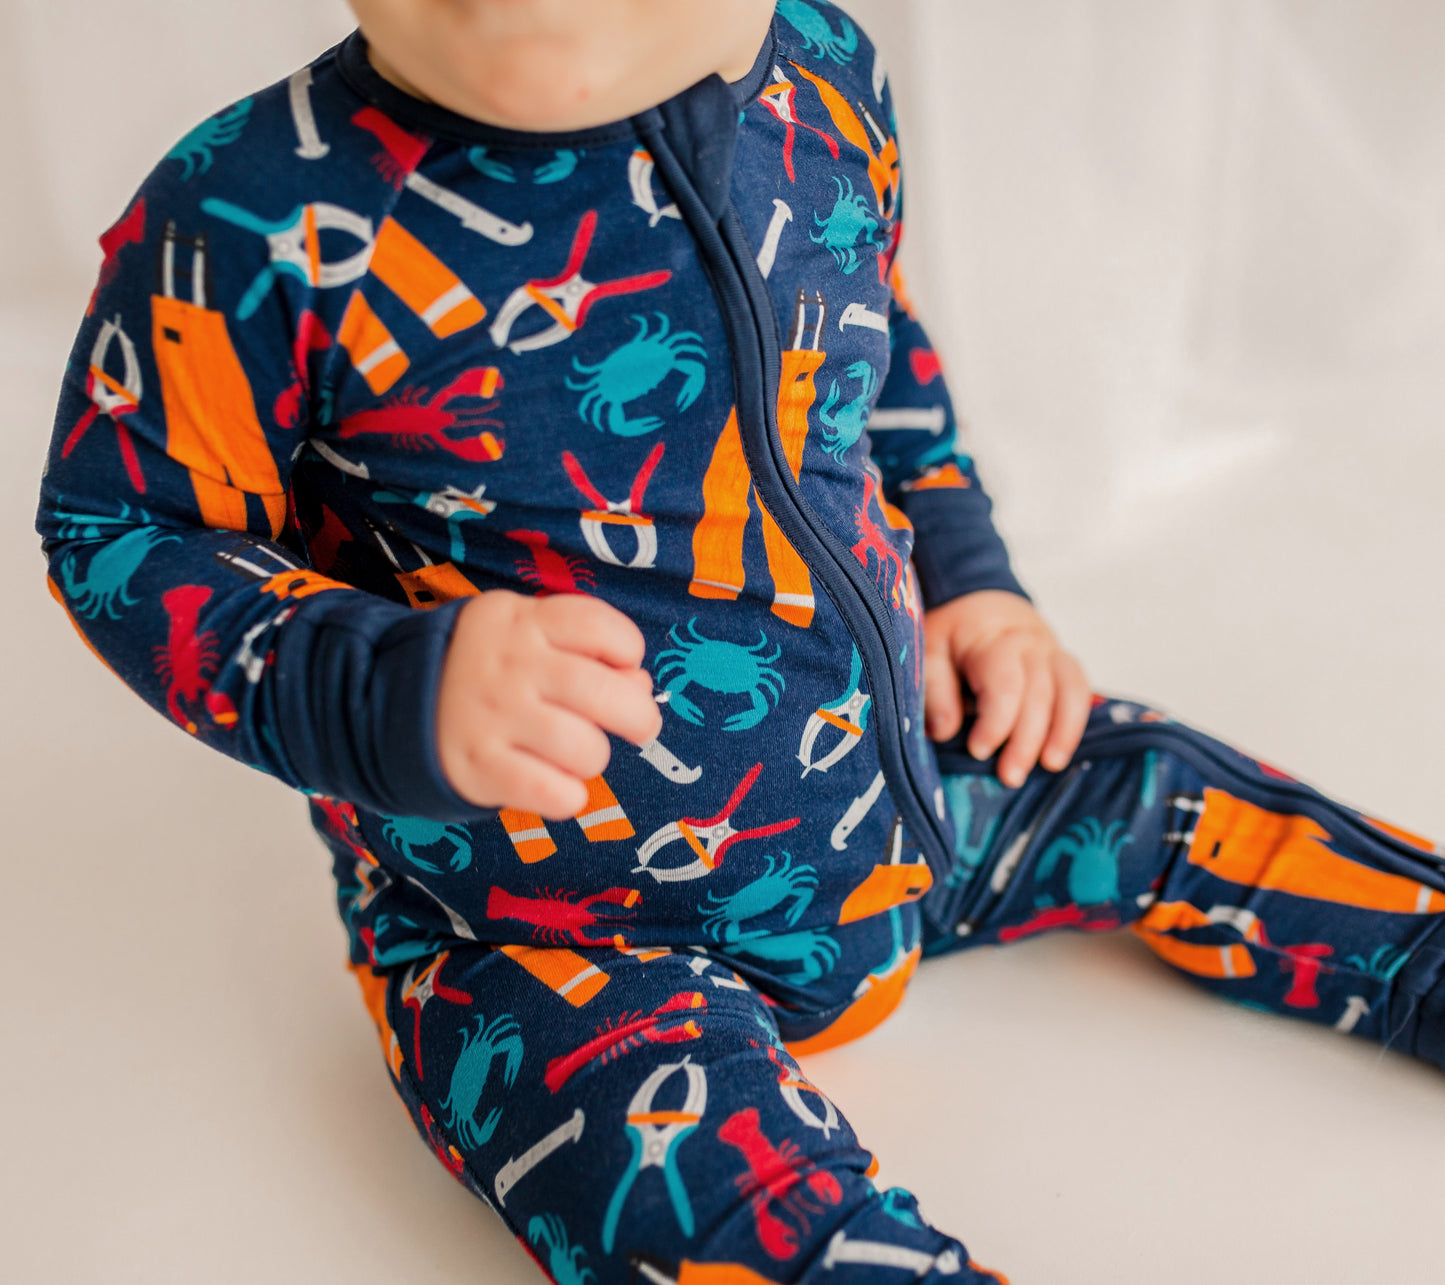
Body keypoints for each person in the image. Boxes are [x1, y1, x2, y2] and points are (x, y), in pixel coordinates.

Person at [34, 1, 1445, 1280]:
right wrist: (379, 683)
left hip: (905, 786)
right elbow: (121, 528)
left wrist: (972, 579)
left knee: (1167, 788)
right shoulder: (248, 213)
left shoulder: (824, 82)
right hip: (550, 932)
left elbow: (877, 346)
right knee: (704, 1206)